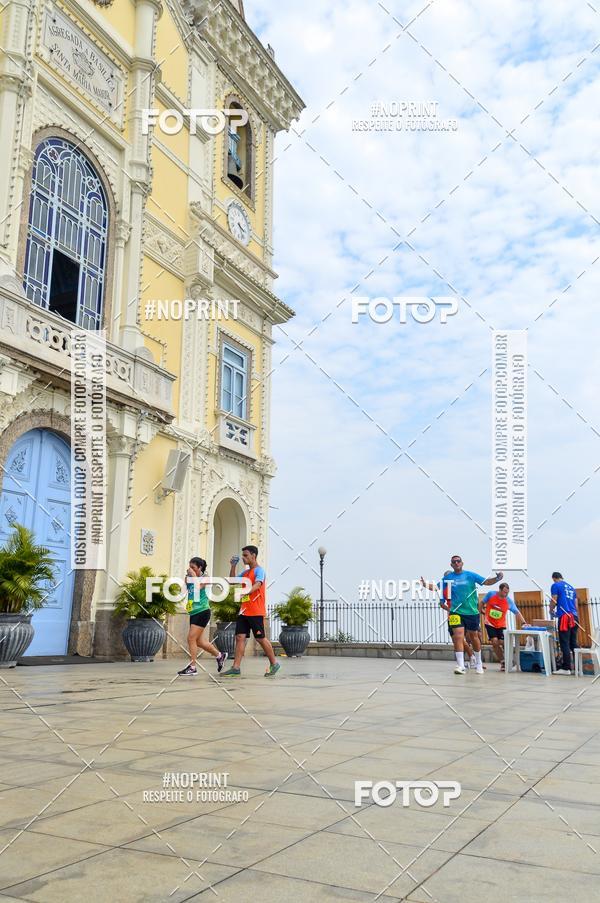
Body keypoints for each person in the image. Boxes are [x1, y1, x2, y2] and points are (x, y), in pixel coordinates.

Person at [422, 554, 503, 675]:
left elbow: (486, 582)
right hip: (455, 611)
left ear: (462, 563)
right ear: (451, 565)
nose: (456, 563)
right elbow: (436, 587)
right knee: (458, 636)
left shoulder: (470, 575)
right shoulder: (448, 578)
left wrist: (497, 579)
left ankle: (478, 663)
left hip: (471, 612)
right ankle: (460, 665)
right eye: (453, 562)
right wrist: (425, 584)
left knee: (474, 637)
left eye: (458, 561)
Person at [221, 545, 280, 678]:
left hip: (256, 611)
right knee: (240, 637)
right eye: (243, 555)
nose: (243, 558)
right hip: (244, 611)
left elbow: (258, 584)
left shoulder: (259, 571)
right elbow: (232, 581)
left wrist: (245, 591)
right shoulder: (245, 573)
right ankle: (236, 668)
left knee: (260, 638)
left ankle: (274, 663)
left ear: (253, 555)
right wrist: (232, 566)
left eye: (246, 555)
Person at [177, 557, 227, 676]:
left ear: (200, 568)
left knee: (191, 638)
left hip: (202, 611)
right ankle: (220, 655)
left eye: (193, 567)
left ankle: (193, 667)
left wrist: (193, 575)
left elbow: (198, 587)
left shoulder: (205, 578)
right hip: (193, 612)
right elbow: (186, 590)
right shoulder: (189, 578)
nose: (190, 570)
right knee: (198, 641)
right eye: (189, 567)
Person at [480, 582, 527, 670]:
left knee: (502, 642)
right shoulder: (491, 594)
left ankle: (509, 659)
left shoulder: (508, 600)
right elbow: (482, 602)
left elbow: (517, 612)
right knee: (494, 642)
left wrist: (523, 622)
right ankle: (503, 662)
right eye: (504, 592)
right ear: (500, 590)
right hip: (489, 623)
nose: (506, 594)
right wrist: (480, 611)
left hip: (501, 624)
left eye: (507, 592)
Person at [550, 572, 578, 675]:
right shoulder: (571, 587)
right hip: (574, 616)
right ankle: (577, 667)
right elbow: (575, 604)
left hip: (565, 617)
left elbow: (554, 599)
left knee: (564, 642)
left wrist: (551, 609)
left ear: (554, 578)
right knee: (573, 643)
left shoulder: (555, 585)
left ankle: (566, 668)